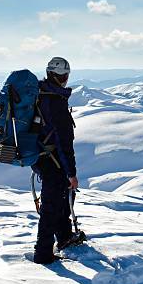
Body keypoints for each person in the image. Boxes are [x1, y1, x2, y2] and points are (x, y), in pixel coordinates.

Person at [32, 56, 81, 264]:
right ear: (59, 76)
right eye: (64, 76)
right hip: (54, 160)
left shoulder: (41, 94)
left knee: (60, 199)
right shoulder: (54, 100)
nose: (66, 80)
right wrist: (71, 173)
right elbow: (63, 142)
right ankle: (42, 253)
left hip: (42, 156)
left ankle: (64, 237)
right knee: (52, 205)